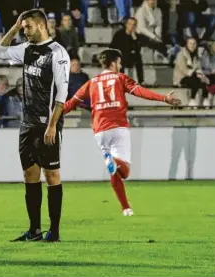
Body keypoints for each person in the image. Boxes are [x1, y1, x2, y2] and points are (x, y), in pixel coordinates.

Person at [63, 49, 181, 216]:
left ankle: (125, 207)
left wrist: (51, 118)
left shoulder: (91, 82)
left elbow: (70, 104)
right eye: (119, 62)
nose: (121, 65)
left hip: (99, 130)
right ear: (112, 63)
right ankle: (115, 162)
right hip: (118, 126)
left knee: (114, 172)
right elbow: (140, 92)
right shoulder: (120, 78)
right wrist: (164, 98)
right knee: (124, 171)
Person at [0, 9, 71, 242]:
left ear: (40, 26)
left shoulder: (58, 53)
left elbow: (62, 94)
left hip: (47, 124)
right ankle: (34, 230)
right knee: (29, 174)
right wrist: (15, 27)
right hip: (27, 124)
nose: (24, 31)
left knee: (52, 175)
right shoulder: (26, 50)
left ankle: (54, 231)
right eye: (23, 28)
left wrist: (52, 126)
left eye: (27, 27)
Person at [173, 37, 209, 107]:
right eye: (190, 43)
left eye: (194, 44)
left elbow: (198, 68)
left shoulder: (196, 56)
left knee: (204, 79)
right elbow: (183, 69)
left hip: (193, 76)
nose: (192, 45)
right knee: (194, 79)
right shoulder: (181, 54)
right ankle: (192, 99)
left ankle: (205, 98)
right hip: (182, 77)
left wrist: (200, 74)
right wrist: (195, 73)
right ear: (187, 45)